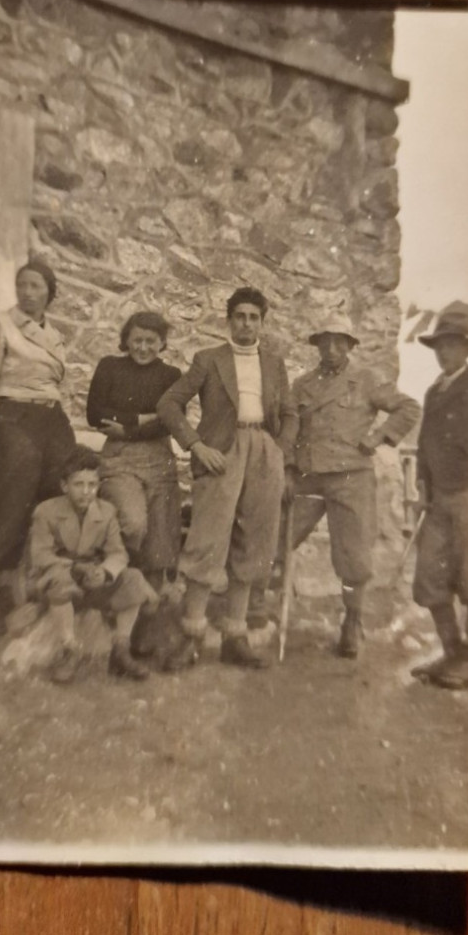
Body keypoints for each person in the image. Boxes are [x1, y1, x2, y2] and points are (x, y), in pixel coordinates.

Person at [156, 287, 294, 670]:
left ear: (262, 323)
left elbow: (291, 413)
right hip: (222, 451)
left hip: (263, 450)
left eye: (254, 317)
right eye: (240, 316)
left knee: (255, 541)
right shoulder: (208, 360)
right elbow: (168, 404)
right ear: (229, 320)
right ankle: (192, 633)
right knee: (208, 538)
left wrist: (279, 449)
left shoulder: (274, 363)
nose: (247, 323)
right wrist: (197, 446)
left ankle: (236, 634)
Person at [283, 315, 420, 657]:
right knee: (277, 540)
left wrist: (377, 438)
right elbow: (289, 427)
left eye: (340, 342)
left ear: (350, 345)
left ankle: (352, 622)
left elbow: (408, 408)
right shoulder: (302, 384)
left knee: (354, 556)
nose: (332, 349)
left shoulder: (366, 380)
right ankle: (266, 617)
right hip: (308, 478)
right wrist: (287, 468)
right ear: (317, 345)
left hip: (351, 477)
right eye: (325, 342)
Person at [0, 260, 76, 638]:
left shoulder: (56, 335)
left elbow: (62, 386)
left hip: (53, 420)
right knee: (10, 505)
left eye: (35, 286)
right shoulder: (1, 325)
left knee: (56, 502)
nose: (27, 292)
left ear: (49, 292)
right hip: (15, 419)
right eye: (22, 285)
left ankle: (40, 590)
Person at [410, 302, 468, 690]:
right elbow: (426, 443)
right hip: (439, 498)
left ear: (466, 348)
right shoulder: (433, 392)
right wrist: (425, 482)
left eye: (452, 345)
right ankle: (451, 651)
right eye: (439, 346)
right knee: (429, 576)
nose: (444, 353)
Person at [28, 446, 159, 683]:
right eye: (78, 484)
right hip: (60, 583)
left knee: (133, 579)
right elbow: (40, 556)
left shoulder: (106, 511)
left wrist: (105, 571)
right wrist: (74, 568)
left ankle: (120, 650)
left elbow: (118, 553)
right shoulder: (45, 512)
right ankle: (69, 650)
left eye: (92, 485)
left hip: (92, 580)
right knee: (59, 578)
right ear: (64, 485)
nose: (86, 492)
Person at [86, 312, 182, 592]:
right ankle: (118, 580)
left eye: (150, 341)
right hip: (119, 456)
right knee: (133, 523)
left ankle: (147, 605)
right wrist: (145, 417)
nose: (143, 348)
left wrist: (127, 426)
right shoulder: (109, 367)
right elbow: (95, 413)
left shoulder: (171, 375)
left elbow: (172, 420)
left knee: (160, 536)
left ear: (162, 343)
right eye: (137, 340)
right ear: (126, 339)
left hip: (158, 457)